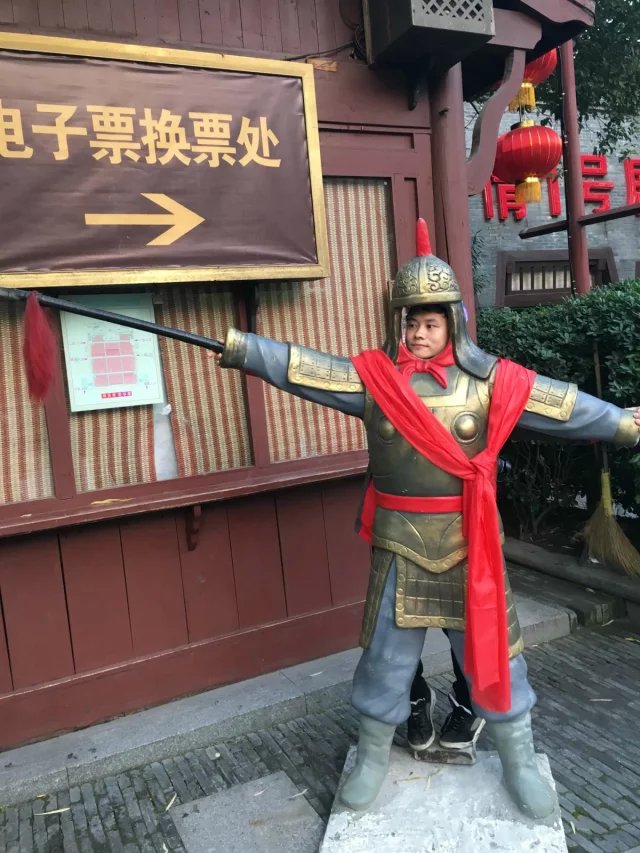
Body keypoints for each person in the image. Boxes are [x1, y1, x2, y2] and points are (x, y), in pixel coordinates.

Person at [215, 220, 640, 820]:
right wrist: (242, 348)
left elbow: (561, 404)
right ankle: (371, 757)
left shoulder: (493, 382)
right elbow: (305, 368)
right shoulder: (373, 382)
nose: (419, 333)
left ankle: (518, 758)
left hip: (472, 544)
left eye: (430, 322)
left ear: (453, 323)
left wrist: (620, 423)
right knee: (385, 658)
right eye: (410, 321)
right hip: (400, 543)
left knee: (497, 655)